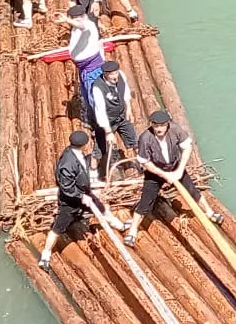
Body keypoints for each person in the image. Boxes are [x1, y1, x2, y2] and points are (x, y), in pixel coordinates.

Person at [129, 108, 217, 243]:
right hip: (155, 172)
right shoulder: (145, 138)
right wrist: (164, 174)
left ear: (167, 124)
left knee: (193, 191)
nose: (159, 129)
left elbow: (187, 147)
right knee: (145, 202)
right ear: (151, 125)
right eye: (155, 125)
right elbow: (145, 163)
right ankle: (133, 231)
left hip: (175, 167)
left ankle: (210, 213)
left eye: (161, 125)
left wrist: (179, 171)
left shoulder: (176, 130)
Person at [37, 130, 94, 269]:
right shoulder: (68, 163)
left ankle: (80, 219)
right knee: (57, 229)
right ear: (84, 144)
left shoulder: (76, 153)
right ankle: (46, 254)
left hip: (81, 194)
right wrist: (81, 196)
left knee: (95, 210)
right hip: (70, 202)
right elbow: (66, 188)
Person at [85, 62, 137, 182]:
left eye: (116, 73)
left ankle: (145, 166)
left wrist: (129, 109)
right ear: (105, 74)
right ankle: (92, 173)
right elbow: (100, 112)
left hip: (122, 116)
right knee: (99, 149)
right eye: (112, 74)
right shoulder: (98, 87)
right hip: (106, 121)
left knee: (134, 141)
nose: (115, 76)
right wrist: (108, 132)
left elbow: (126, 93)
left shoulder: (121, 76)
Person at [64, 2, 105, 121]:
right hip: (84, 67)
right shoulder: (78, 27)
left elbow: (83, 25)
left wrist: (66, 20)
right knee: (86, 93)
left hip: (92, 68)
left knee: (94, 95)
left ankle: (100, 122)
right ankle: (93, 116)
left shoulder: (88, 25)